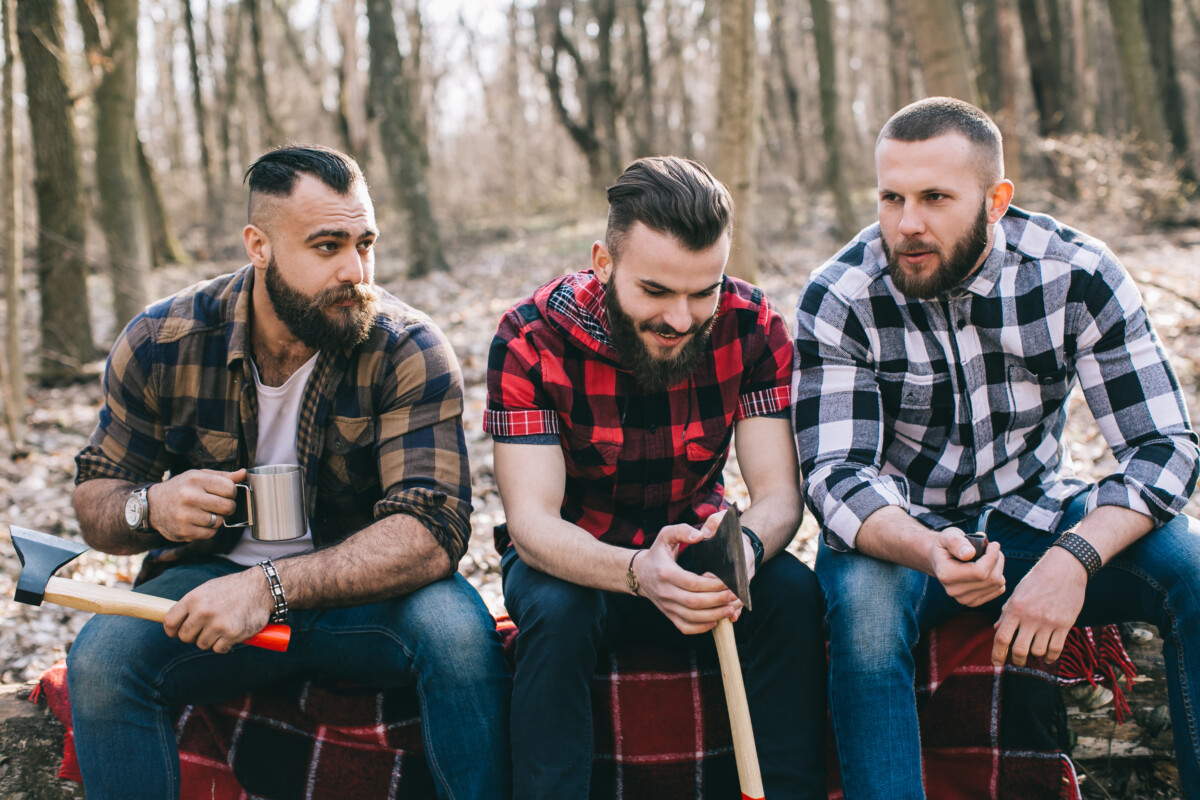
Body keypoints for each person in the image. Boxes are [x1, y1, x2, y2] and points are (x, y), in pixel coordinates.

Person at [66, 145, 511, 799]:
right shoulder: (163, 340)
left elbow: (432, 529)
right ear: (259, 246)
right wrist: (150, 508)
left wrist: (267, 588)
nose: (355, 270)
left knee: (462, 643)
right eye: (327, 246)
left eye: (365, 244)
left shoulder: (406, 347)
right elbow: (96, 494)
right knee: (102, 659)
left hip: (367, 595)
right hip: (210, 582)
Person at [793, 96, 1200, 799]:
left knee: (1192, 570)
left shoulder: (1075, 273)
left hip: (1040, 521)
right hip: (900, 541)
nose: (907, 223)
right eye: (891, 197)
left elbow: (1165, 449)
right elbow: (835, 476)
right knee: (862, 622)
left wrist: (1075, 556)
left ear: (996, 199)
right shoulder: (842, 294)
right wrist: (924, 548)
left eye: (934, 198)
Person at [486, 156, 827, 799]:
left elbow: (780, 496)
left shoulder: (754, 326)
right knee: (555, 614)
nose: (681, 318)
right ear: (604, 263)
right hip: (575, 561)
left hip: (702, 548)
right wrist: (639, 572)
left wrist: (741, 553)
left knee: (792, 595)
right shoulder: (528, 338)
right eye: (657, 292)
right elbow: (531, 525)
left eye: (704, 291)